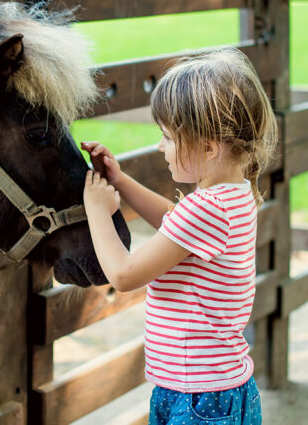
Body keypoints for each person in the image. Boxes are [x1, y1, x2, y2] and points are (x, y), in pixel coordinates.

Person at [82, 48, 277, 424]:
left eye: (169, 138)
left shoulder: (206, 208)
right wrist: (120, 180)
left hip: (197, 397)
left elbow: (124, 275)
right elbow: (175, 223)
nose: (160, 147)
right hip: (214, 388)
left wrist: (97, 210)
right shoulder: (232, 196)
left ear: (208, 146)